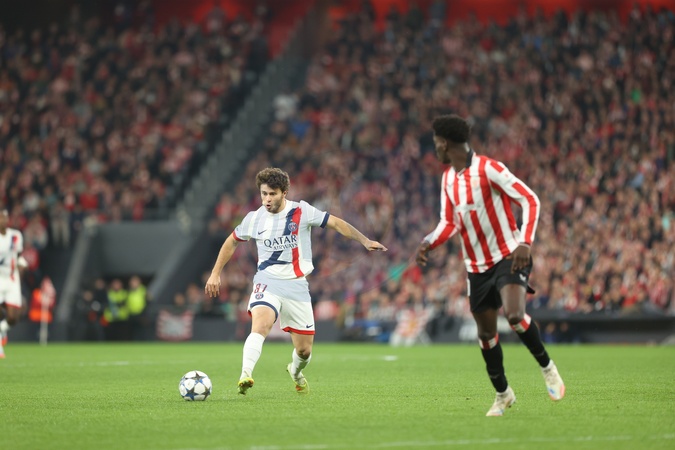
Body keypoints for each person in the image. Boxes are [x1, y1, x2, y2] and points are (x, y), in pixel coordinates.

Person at [416, 115, 565, 416]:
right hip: (476, 267)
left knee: (514, 315)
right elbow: (449, 222)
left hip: (509, 255)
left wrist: (525, 242)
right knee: (486, 335)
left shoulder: (489, 169)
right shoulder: (448, 179)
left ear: (444, 143)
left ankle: (547, 367)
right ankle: (503, 394)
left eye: (435, 144)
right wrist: (429, 241)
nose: (435, 150)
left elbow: (530, 199)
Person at [205, 167, 387, 395]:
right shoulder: (254, 218)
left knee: (304, 351)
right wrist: (215, 273)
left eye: (272, 194)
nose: (267, 199)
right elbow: (231, 241)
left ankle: (295, 371)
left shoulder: (302, 211)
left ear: (284, 193)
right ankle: (245, 374)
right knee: (261, 325)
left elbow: (336, 223)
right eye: (263, 194)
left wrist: (365, 240)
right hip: (267, 280)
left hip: (296, 285)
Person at [0, 208, 25, 358]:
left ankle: (2, 329)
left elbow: (19, 254)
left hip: (11, 279)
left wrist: (22, 263)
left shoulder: (16, 236)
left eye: (4, 217)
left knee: (13, 317)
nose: (3, 220)